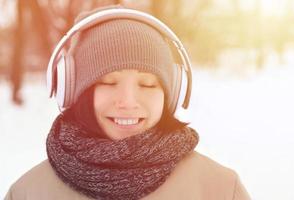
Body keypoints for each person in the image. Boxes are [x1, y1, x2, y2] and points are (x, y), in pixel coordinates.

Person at [5, 7, 251, 200]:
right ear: (74, 91)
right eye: (109, 82)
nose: (128, 101)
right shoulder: (28, 193)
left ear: (173, 92)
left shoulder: (220, 190)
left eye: (147, 84)